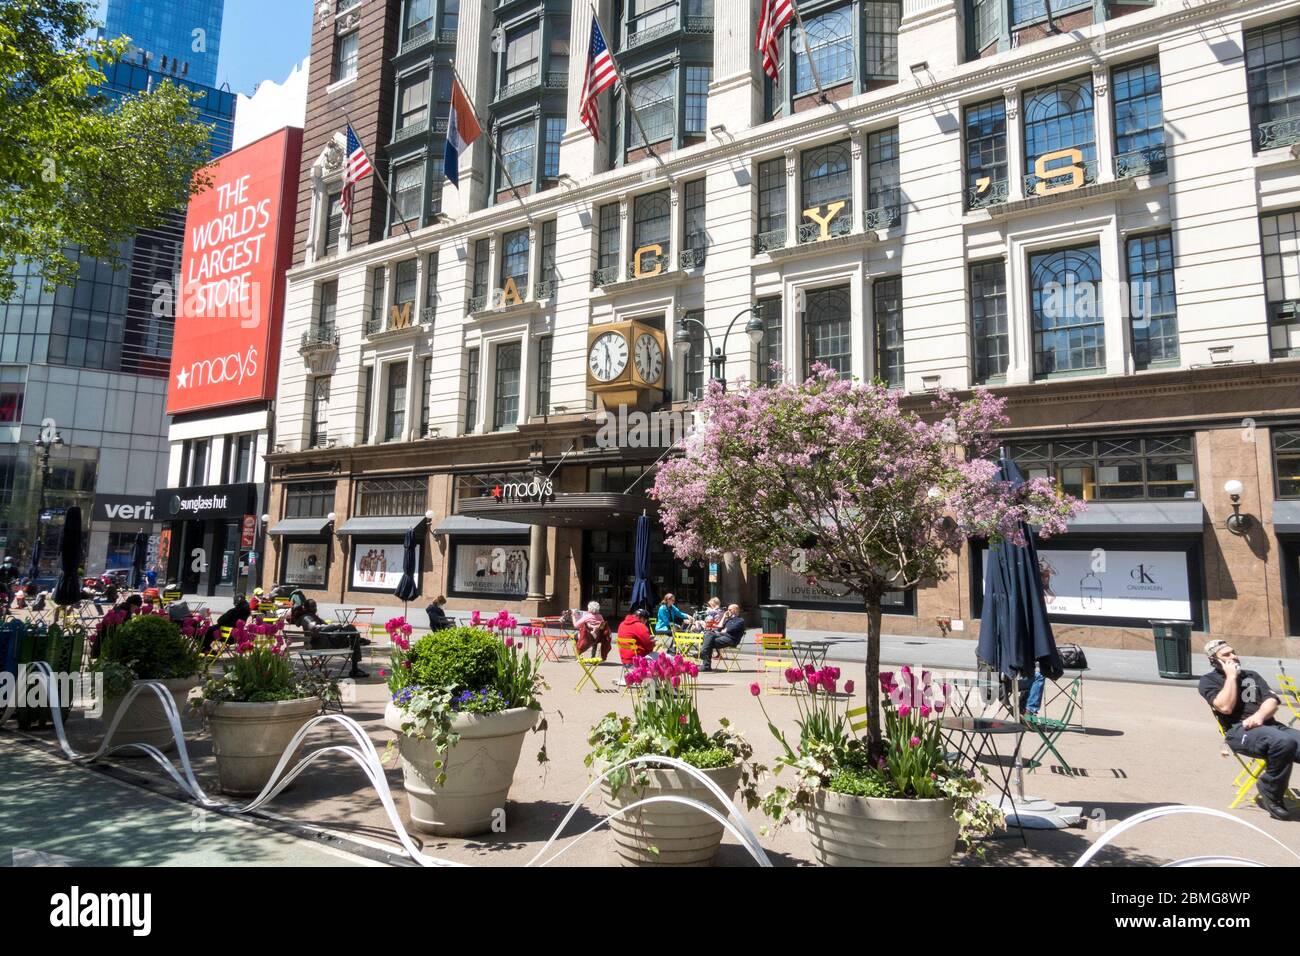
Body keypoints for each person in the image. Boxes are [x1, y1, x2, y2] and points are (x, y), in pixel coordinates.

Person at [1200, 639, 1300, 821]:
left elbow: (1272, 701)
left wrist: (1259, 716)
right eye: (1226, 655)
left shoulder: (1252, 676)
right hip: (1239, 731)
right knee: (1284, 742)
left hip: (1270, 725)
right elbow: (1225, 707)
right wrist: (1231, 677)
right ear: (1214, 660)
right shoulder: (1208, 681)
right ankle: (1270, 789)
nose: (1234, 657)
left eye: (1233, 652)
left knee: (1288, 739)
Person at [701, 603, 747, 672]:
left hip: (731, 639)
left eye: (729, 610)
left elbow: (731, 629)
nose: (727, 611)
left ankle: (704, 661)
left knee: (708, 642)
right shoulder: (727, 619)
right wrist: (724, 617)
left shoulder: (740, 620)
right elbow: (719, 629)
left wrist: (725, 630)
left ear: (735, 610)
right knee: (708, 633)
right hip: (722, 636)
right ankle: (704, 655)